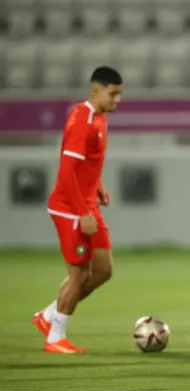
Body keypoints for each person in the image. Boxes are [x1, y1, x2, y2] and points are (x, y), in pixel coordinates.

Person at [32, 66, 123, 353]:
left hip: (87, 203)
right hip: (71, 208)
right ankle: (55, 337)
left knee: (104, 270)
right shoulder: (83, 120)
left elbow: (86, 165)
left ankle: (48, 316)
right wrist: (83, 211)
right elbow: (66, 173)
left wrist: (97, 186)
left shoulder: (99, 117)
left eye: (120, 94)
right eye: (113, 93)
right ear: (96, 91)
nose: (117, 99)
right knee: (79, 275)